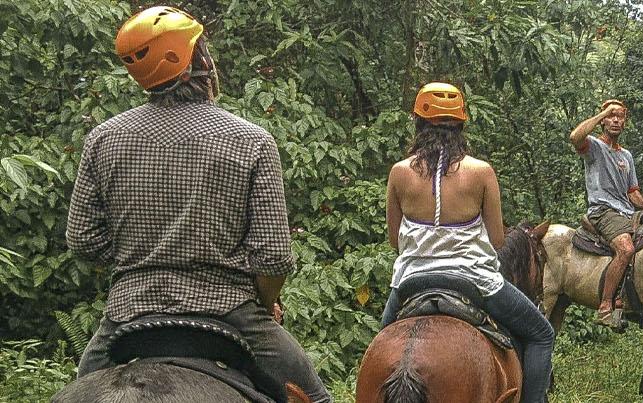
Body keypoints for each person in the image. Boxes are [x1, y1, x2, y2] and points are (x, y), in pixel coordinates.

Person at [65, 6, 331, 403]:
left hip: (127, 311)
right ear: (196, 61)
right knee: (315, 397)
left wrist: (134, 255)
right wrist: (265, 303)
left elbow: (82, 239)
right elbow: (274, 258)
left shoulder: (104, 138)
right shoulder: (250, 140)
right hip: (230, 311)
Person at [380, 82, 555, 402]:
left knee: (381, 347)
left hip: (410, 282)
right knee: (542, 334)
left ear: (418, 122)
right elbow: (498, 239)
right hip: (474, 280)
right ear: (461, 123)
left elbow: (395, 240)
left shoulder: (399, 172)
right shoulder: (481, 172)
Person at [567, 99, 643, 328]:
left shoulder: (626, 156)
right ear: (603, 120)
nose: (616, 120)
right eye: (611, 115)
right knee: (626, 248)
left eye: (620, 116)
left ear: (625, 122)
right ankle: (605, 306)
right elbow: (574, 138)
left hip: (626, 212)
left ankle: (631, 302)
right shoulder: (595, 147)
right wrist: (601, 114)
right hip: (603, 211)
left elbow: (632, 192)